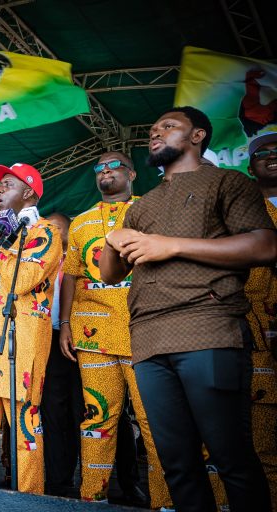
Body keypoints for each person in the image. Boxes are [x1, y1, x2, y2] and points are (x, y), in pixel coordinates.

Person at [100, 106, 274, 511]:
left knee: (231, 458)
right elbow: (110, 276)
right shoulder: (141, 206)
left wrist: (173, 244)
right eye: (153, 128)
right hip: (148, 341)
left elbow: (266, 245)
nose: (155, 132)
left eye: (168, 126)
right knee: (176, 464)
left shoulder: (228, 183)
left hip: (207, 330)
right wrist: (112, 240)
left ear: (197, 136)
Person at [58, 151, 170, 508]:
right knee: (97, 419)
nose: (105, 171)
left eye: (114, 166)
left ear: (133, 174)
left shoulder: (151, 210)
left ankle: (165, 502)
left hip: (145, 332)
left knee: (156, 423)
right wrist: (64, 324)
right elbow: (72, 276)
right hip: (93, 334)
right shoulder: (81, 222)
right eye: (99, 168)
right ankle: (93, 498)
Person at [0, 163, 61, 495]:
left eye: (7, 184)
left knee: (25, 435)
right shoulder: (2, 236)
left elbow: (20, 280)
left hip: (21, 346)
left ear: (29, 193)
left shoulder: (45, 232)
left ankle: (29, 502)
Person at [39, 212, 83, 497]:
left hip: (83, 338)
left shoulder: (78, 259)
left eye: (56, 228)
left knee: (88, 409)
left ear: (69, 231)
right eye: (47, 228)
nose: (51, 233)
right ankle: (58, 479)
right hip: (48, 337)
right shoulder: (43, 260)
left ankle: (122, 481)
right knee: (53, 410)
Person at [245, 131, 277, 506]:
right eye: (262, 153)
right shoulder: (241, 206)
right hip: (249, 330)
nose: (270, 157)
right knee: (257, 431)